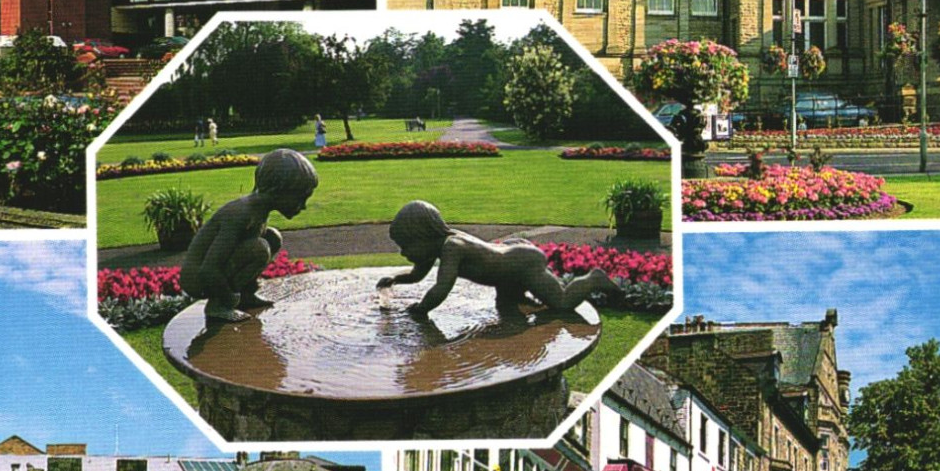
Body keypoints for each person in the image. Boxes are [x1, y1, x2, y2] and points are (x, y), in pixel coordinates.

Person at [378, 200, 621, 316]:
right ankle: (520, 299)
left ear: (424, 236)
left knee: (562, 302)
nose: (404, 253)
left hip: (521, 263)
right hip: (505, 273)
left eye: (406, 246)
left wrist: (421, 309)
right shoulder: (436, 247)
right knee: (506, 308)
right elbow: (417, 275)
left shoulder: (453, 247)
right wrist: (394, 279)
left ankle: (592, 279)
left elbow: (441, 288)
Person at [179, 148, 319, 322]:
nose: (303, 206)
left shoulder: (258, 210)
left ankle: (245, 295)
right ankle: (218, 305)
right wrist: (228, 297)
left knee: (272, 238)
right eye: (301, 198)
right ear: (279, 190)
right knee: (259, 248)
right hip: (198, 279)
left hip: (211, 274)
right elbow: (209, 268)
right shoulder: (241, 214)